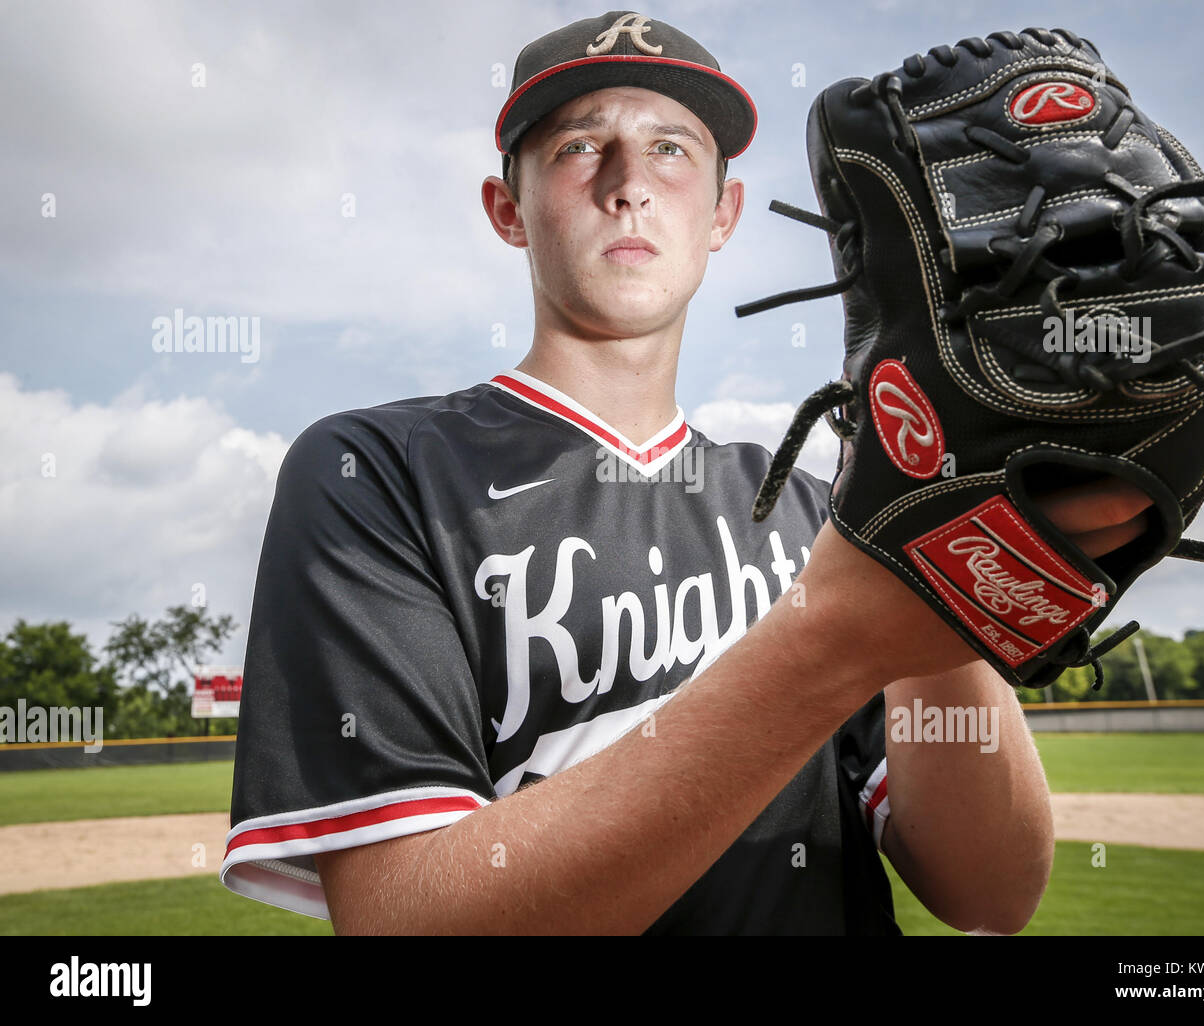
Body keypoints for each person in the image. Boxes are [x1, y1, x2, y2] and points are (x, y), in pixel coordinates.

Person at [220, 11, 1155, 934]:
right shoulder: (375, 470)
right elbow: (406, 921)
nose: (629, 184)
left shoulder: (824, 510)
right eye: (579, 147)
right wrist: (830, 640)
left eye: (672, 148)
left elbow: (991, 894)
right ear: (508, 210)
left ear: (723, 214)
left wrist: (936, 503)